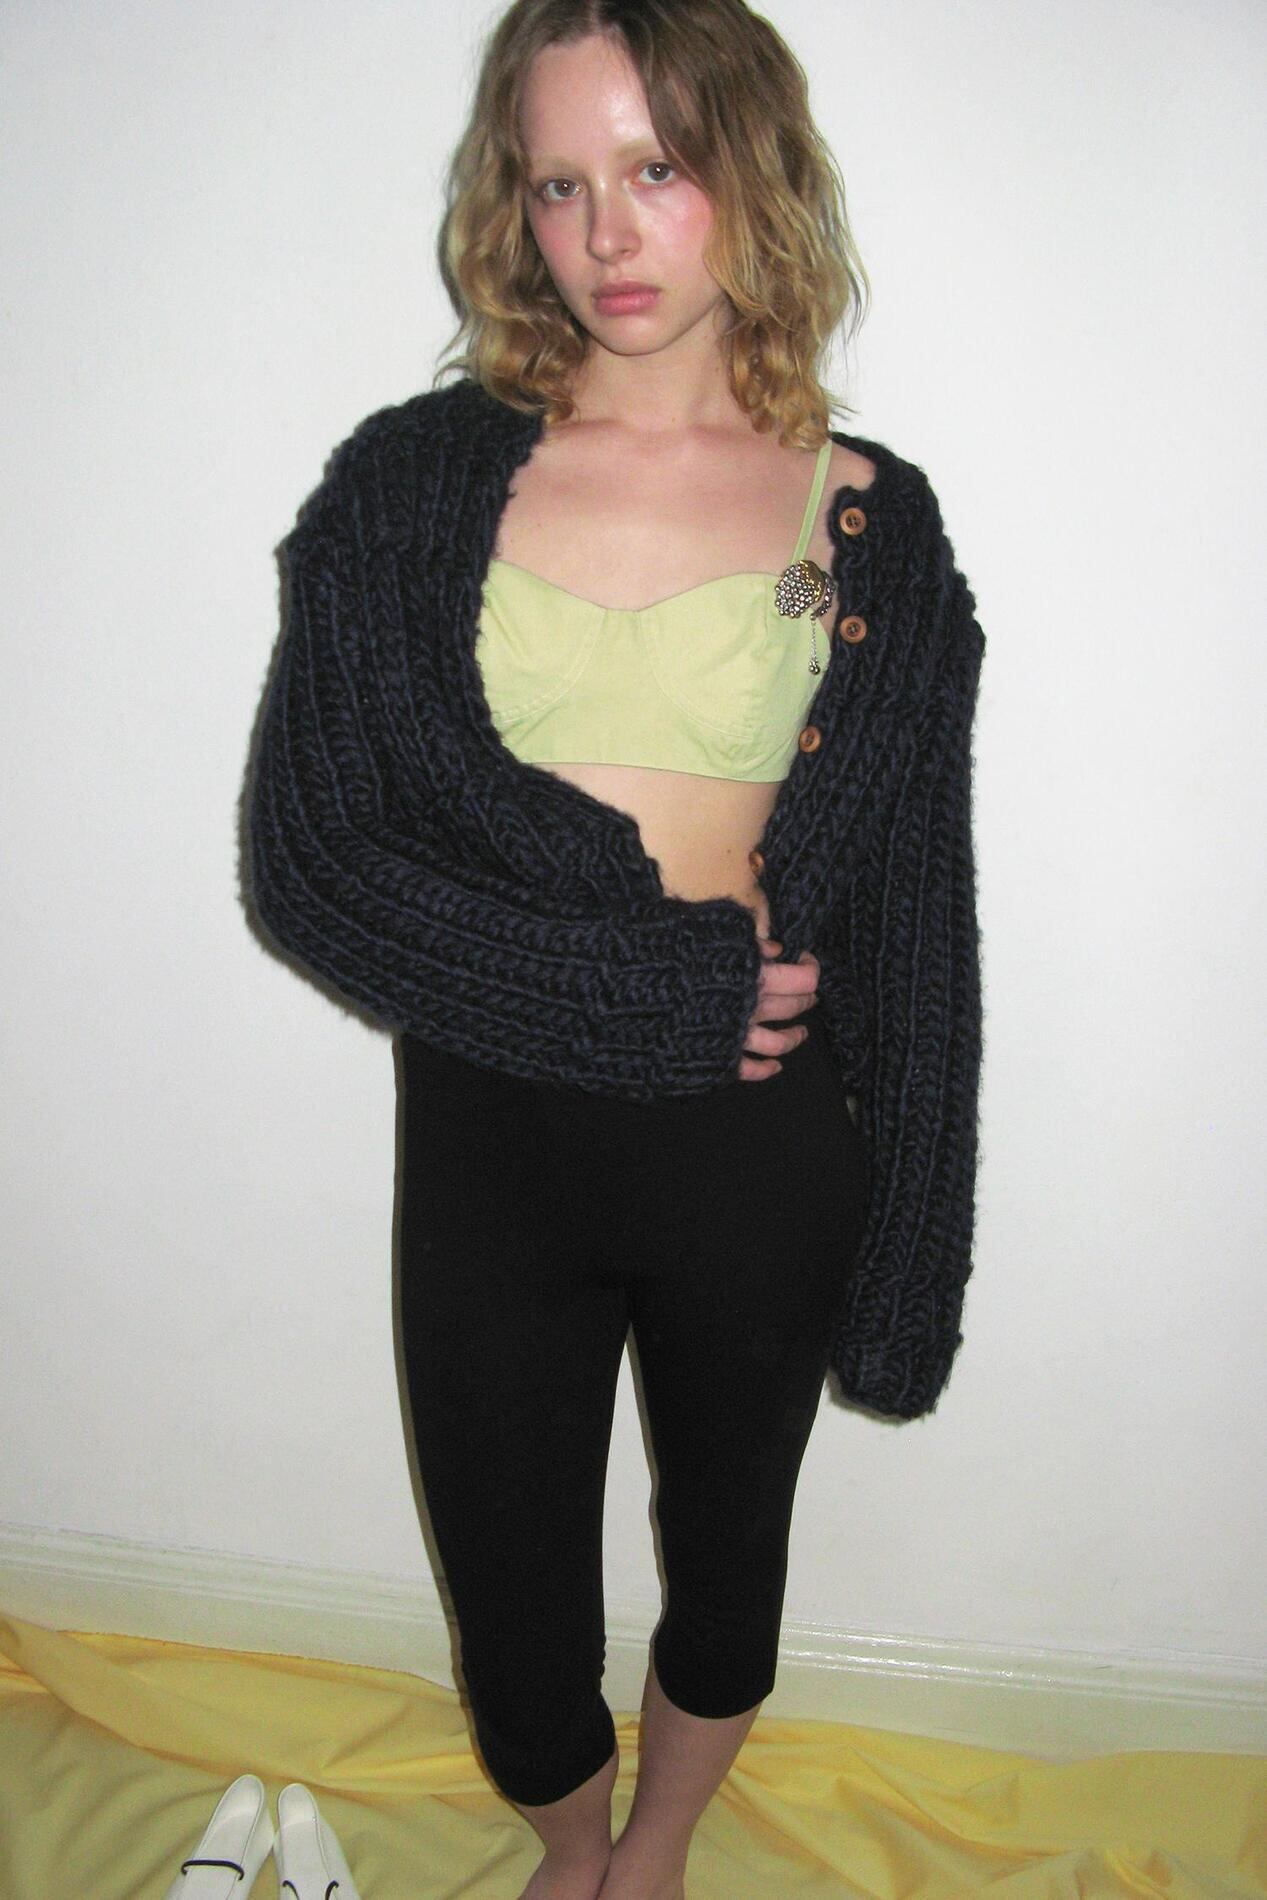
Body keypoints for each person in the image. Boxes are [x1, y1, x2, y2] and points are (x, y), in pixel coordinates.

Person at [247, 1, 986, 1894]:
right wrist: (645, 991)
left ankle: (650, 1858)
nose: (608, 232)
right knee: (512, 1609)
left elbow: (918, 920)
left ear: (755, 171)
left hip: (764, 1155)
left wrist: (914, 1239)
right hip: (494, 1139)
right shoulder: (410, 484)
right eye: (560, 182)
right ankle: (567, 1847)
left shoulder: (870, 520)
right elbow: (312, 859)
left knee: (729, 1570)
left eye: (658, 167)